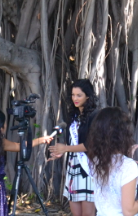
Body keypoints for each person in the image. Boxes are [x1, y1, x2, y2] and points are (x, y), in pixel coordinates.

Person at [85, 107, 138, 216]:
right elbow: (129, 211)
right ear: (123, 134)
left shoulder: (95, 161)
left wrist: (127, 158)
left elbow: (113, 178)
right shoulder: (128, 166)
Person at [49, 79, 99, 216]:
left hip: (88, 169)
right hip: (73, 168)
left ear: (88, 96)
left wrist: (65, 148)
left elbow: (90, 145)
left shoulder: (95, 116)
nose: (75, 98)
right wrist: (61, 152)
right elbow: (72, 144)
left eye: (79, 95)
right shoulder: (73, 116)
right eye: (73, 95)